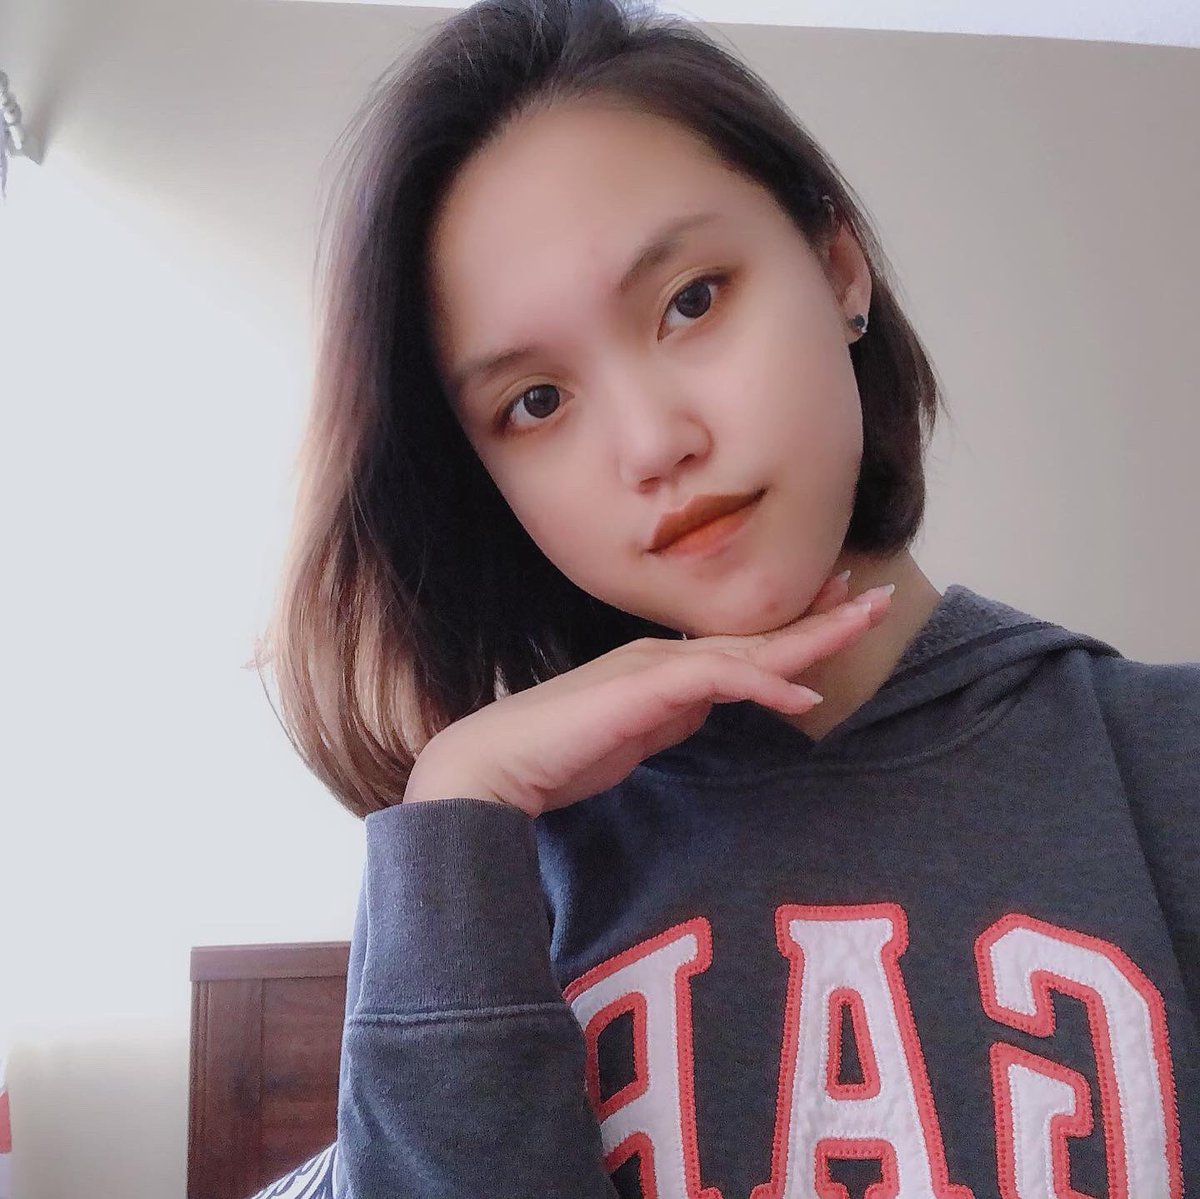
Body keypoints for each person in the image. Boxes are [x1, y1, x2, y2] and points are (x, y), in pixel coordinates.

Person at [248, 0, 1199, 1195]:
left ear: (837, 266)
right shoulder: (485, 888)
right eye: (535, 402)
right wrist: (456, 801)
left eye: (692, 299)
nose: (654, 443)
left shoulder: (1165, 762)